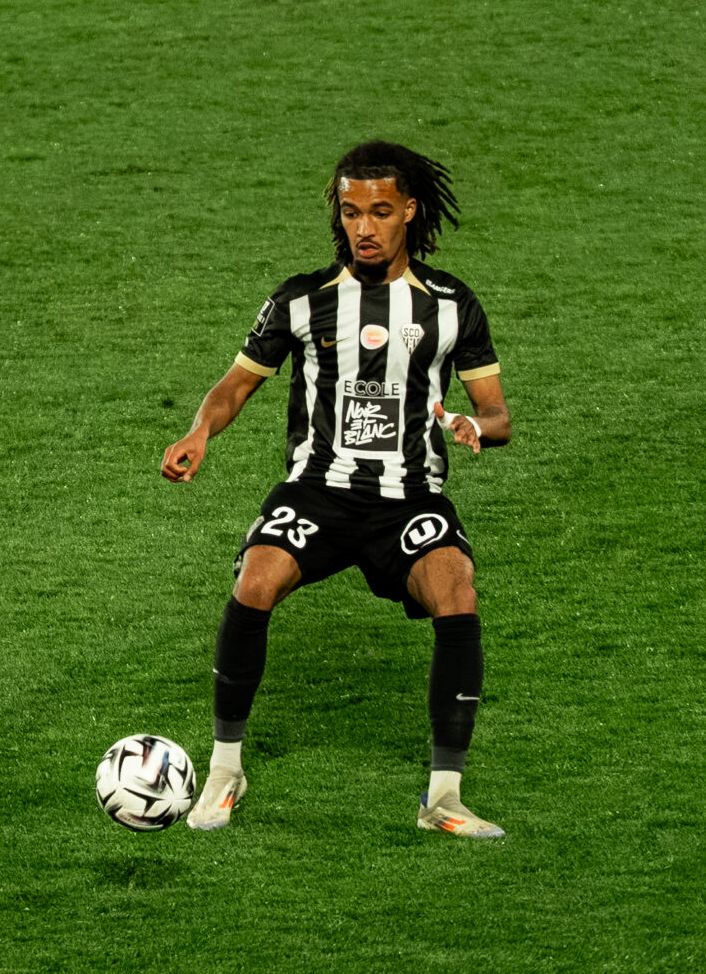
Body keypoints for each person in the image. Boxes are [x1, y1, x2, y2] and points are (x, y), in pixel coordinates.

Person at [161, 140, 511, 837]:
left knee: (456, 589)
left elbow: (497, 414)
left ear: (408, 211)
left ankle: (444, 797)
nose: (363, 227)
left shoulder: (450, 305)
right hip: (317, 492)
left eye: (379, 211)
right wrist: (201, 431)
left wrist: (476, 426)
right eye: (351, 213)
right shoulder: (301, 300)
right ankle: (225, 771)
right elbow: (235, 385)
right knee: (256, 579)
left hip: (409, 499)